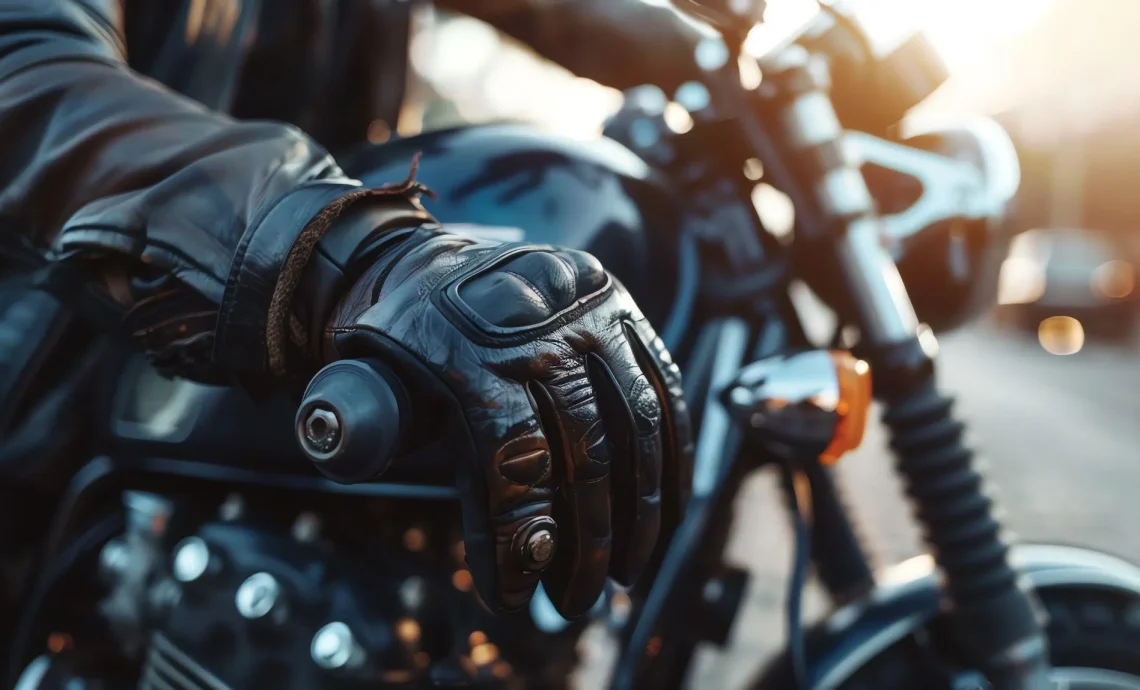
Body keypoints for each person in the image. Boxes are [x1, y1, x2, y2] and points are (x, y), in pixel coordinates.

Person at [0, 1, 696, 619]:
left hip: (239, 341)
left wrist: (693, 49)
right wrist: (348, 256)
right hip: (49, 379)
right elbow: (23, 63)